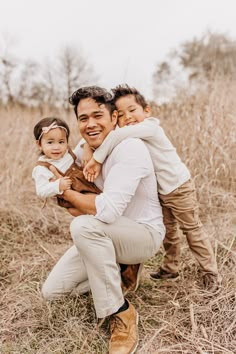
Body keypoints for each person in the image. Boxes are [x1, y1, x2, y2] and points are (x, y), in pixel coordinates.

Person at [41, 86, 165, 354]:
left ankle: (120, 312)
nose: (90, 124)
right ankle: (119, 271)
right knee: (53, 292)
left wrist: (68, 192)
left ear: (114, 118)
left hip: (143, 234)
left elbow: (105, 211)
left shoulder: (130, 148)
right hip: (106, 233)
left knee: (83, 225)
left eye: (98, 115)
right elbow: (58, 172)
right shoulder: (85, 148)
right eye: (83, 118)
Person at [83, 84, 222, 293]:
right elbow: (106, 136)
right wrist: (86, 146)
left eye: (133, 110)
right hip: (161, 192)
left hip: (178, 187)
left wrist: (96, 158)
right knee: (169, 232)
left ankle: (211, 272)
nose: (128, 117)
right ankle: (170, 268)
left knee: (191, 229)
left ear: (146, 110)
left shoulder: (150, 127)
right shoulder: (126, 135)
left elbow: (114, 136)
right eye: (121, 114)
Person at [32, 117, 100, 211]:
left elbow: (85, 141)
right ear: (39, 145)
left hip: (87, 186)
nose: (56, 147)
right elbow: (41, 191)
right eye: (50, 142)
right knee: (88, 209)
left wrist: (86, 147)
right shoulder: (42, 168)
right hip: (73, 197)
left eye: (61, 142)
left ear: (67, 142)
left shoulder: (68, 154)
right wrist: (57, 185)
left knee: (99, 203)